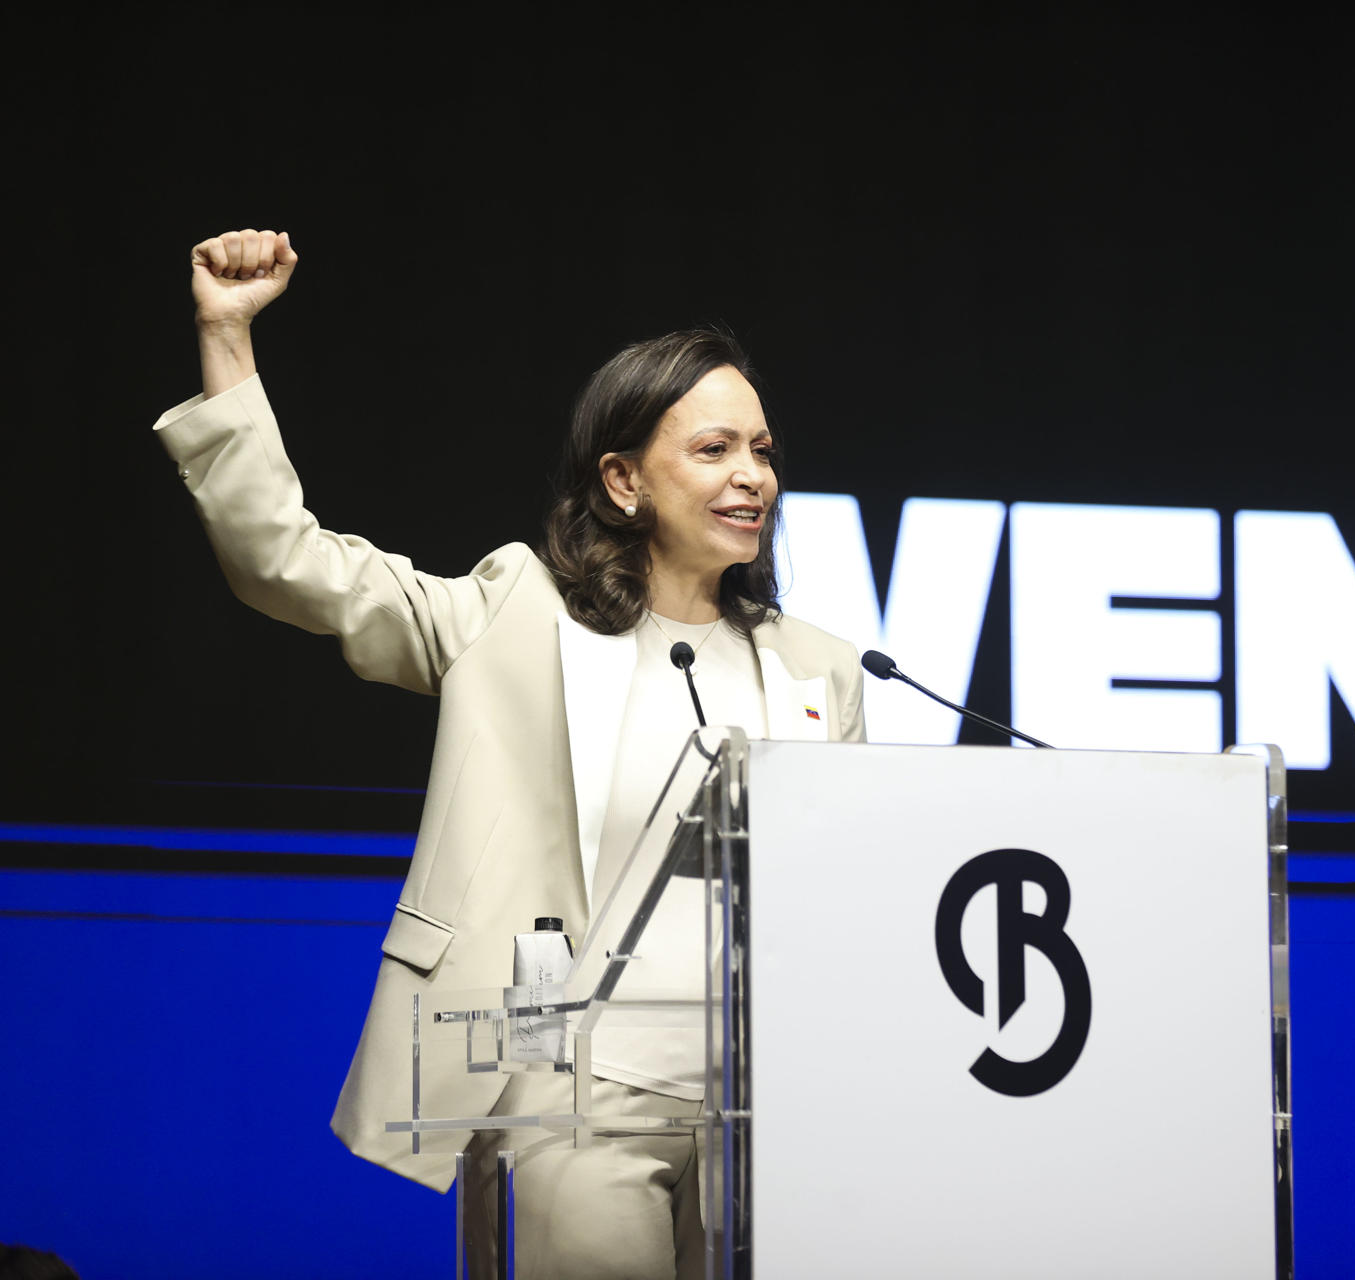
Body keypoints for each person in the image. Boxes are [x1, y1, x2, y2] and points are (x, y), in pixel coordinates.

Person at [153, 228, 867, 1279]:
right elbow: (285, 560)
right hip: (571, 1096)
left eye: (761, 449)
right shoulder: (517, 613)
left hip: (767, 1116)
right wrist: (225, 334)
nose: (752, 475)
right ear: (623, 479)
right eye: (713, 449)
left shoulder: (823, 671)